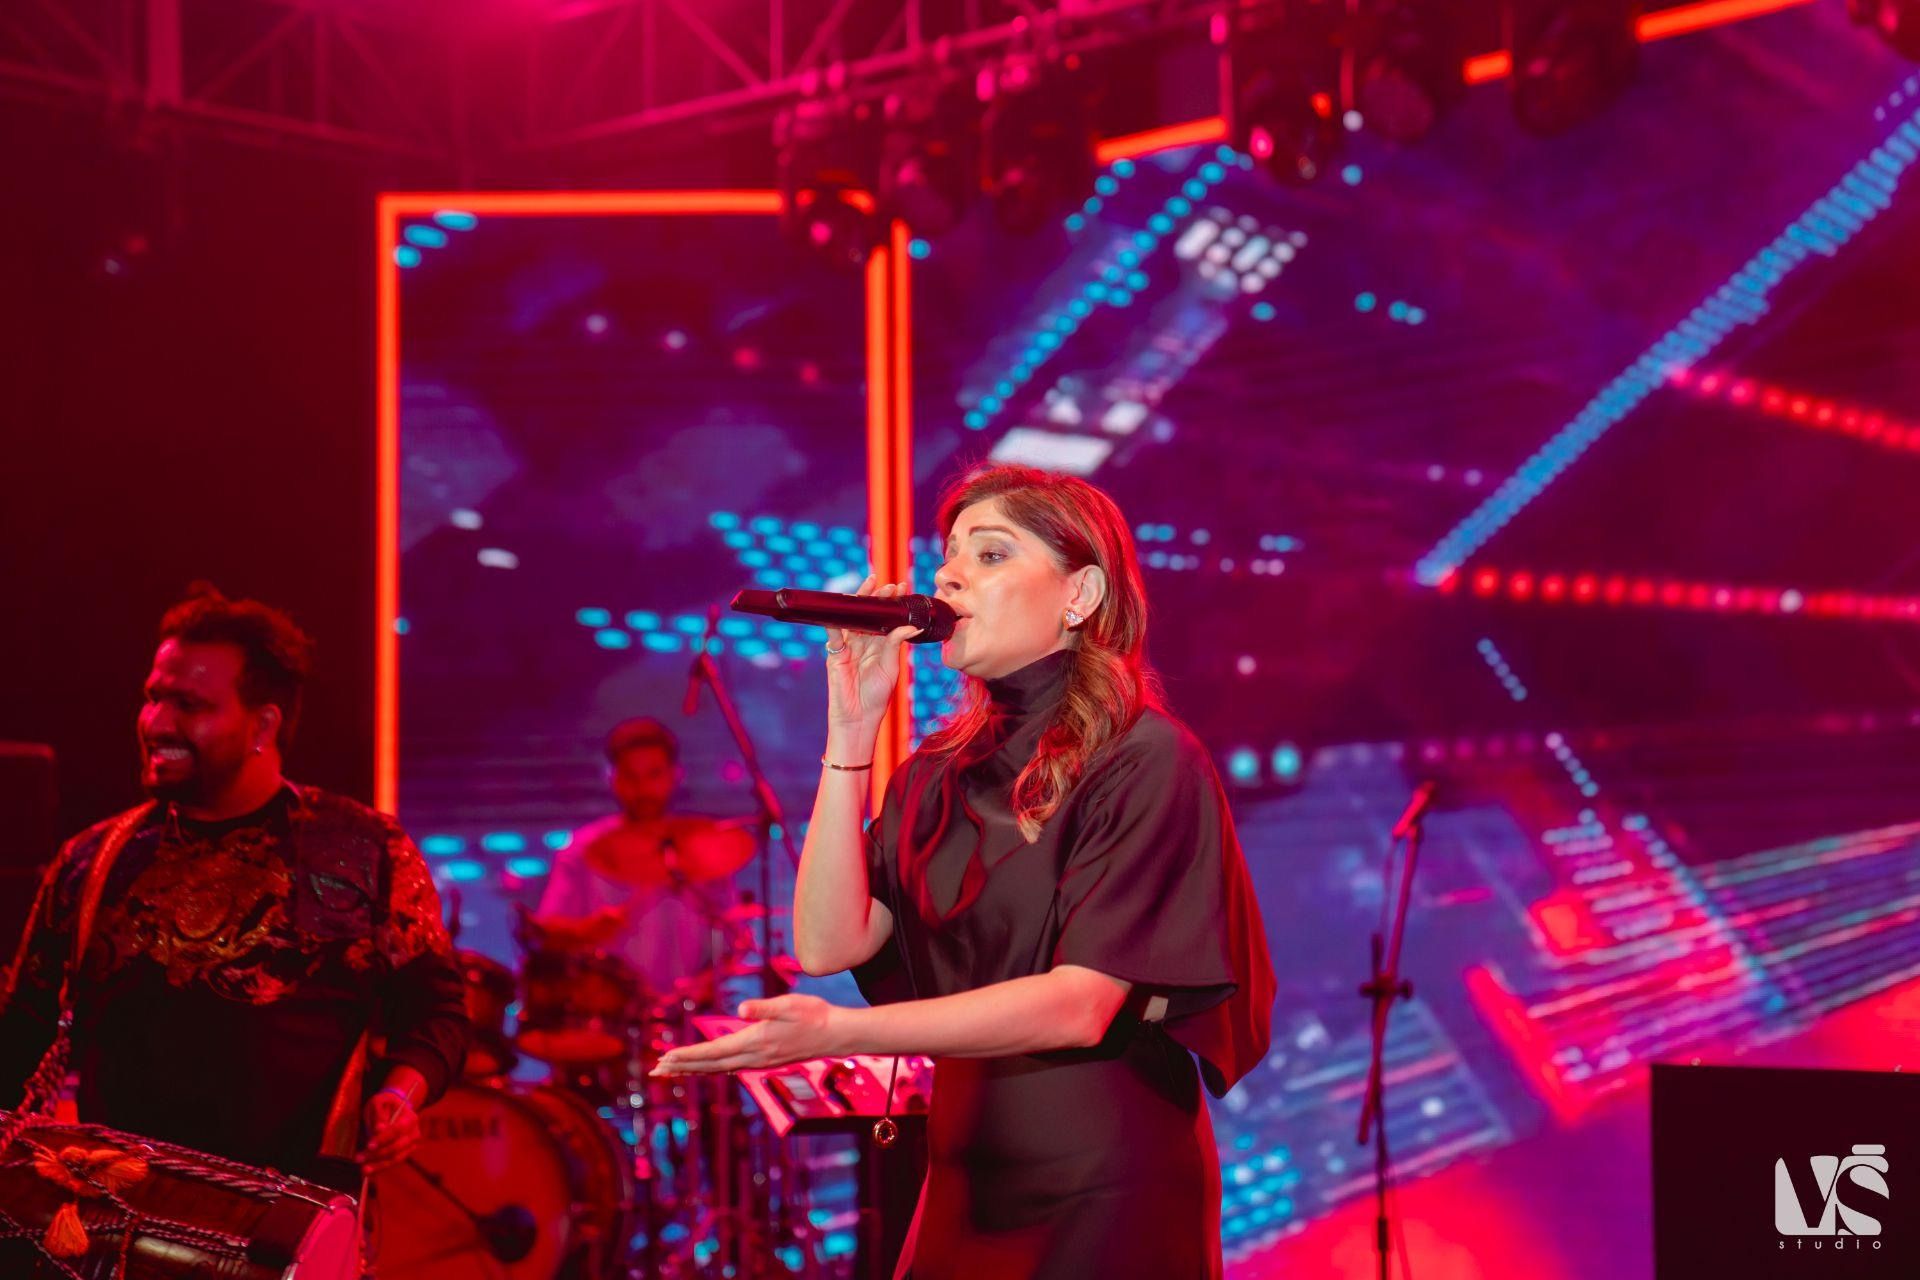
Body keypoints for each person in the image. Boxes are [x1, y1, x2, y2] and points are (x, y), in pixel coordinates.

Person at [655, 465, 1276, 1278]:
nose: (947, 576)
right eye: (948, 555)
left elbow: (1080, 1005)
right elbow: (828, 942)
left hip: (1106, 1184)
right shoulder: (935, 772)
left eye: (990, 554)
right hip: (963, 1181)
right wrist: (852, 731)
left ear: (1080, 594)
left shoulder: (1147, 757)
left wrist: (842, 1033)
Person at [0, 586, 469, 1189]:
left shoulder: (362, 850)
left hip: (294, 1220)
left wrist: (400, 1095)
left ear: (262, 724)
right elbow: (23, 1033)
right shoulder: (91, 861)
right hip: (115, 1218)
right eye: (153, 697)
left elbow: (436, 1014)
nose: (156, 723)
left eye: (189, 705)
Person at [533, 717, 755, 997]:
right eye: (631, 777)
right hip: (607, 1011)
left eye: (654, 774)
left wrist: (705, 985)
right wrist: (587, 930)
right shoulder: (581, 850)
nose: (643, 789)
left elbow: (733, 940)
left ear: (675, 775)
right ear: (612, 779)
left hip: (686, 1010)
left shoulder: (707, 846)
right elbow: (545, 932)